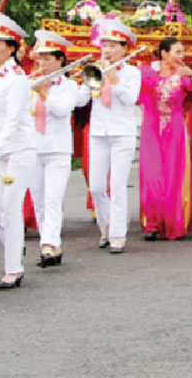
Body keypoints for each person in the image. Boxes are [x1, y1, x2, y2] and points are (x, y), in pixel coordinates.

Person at [0, 11, 36, 289]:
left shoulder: (17, 78)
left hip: (18, 150)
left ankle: (13, 268)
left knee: (10, 208)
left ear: (12, 48)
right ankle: (15, 246)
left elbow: (13, 120)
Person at [77, 20, 143, 254]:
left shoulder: (132, 73)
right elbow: (81, 101)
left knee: (117, 185)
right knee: (95, 187)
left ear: (125, 49)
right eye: (105, 45)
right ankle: (104, 226)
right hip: (98, 132)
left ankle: (117, 235)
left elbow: (129, 100)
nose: (108, 50)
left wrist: (114, 80)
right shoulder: (96, 69)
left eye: (114, 46)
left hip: (122, 133)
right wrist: (78, 81)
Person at [28, 31, 80, 267]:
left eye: (48, 58)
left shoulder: (68, 85)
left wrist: (44, 94)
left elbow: (62, 110)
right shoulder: (29, 81)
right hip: (33, 147)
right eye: (40, 57)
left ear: (60, 60)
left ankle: (49, 243)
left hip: (57, 148)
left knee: (52, 197)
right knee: (38, 199)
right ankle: (49, 243)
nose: (43, 62)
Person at [139, 36, 192, 241]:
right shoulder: (147, 74)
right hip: (151, 130)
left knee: (173, 175)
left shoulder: (182, 75)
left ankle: (172, 221)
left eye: (182, 52)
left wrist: (190, 75)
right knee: (152, 176)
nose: (181, 56)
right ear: (164, 54)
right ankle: (152, 223)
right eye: (178, 52)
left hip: (174, 130)